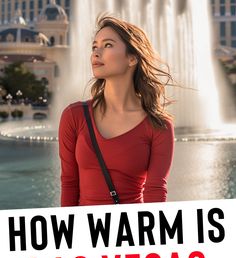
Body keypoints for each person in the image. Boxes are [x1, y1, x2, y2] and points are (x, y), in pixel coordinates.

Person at [58, 14, 175, 207]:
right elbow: (69, 184)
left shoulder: (159, 125)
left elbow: (156, 191)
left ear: (132, 58)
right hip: (85, 234)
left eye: (108, 45)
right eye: (94, 47)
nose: (96, 53)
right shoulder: (74, 116)